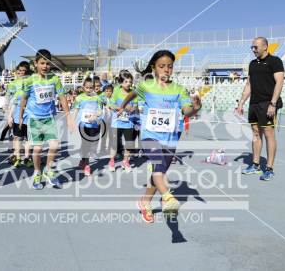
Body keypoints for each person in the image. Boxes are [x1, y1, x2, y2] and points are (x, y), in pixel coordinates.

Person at [118, 50, 201, 223]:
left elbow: (187, 111)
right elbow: (132, 94)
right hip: (150, 135)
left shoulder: (178, 89)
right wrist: (123, 105)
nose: (166, 70)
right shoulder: (146, 85)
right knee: (158, 168)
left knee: (159, 173)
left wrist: (196, 107)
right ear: (154, 68)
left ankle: (145, 202)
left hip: (171, 138)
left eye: (169, 67)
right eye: (162, 66)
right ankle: (168, 198)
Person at [18, 49, 74, 190]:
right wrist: (20, 116)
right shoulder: (30, 80)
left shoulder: (54, 79)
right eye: (42, 63)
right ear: (35, 64)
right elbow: (24, 99)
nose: (45, 66)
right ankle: (37, 173)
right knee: (37, 149)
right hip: (34, 119)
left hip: (49, 118)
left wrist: (68, 116)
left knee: (54, 145)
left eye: (47, 63)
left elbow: (62, 97)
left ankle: (48, 170)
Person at [237, 37, 284, 181]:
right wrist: (241, 102)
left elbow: (279, 82)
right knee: (256, 133)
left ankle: (269, 169)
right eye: (252, 47)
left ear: (265, 47)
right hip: (254, 103)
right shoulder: (252, 64)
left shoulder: (275, 61)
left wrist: (273, 103)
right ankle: (255, 165)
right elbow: (249, 85)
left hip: (268, 103)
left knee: (269, 134)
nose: (253, 50)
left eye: (255, 47)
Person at [72, 77, 104, 176]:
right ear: (83, 87)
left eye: (91, 88)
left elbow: (100, 111)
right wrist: (72, 122)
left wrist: (96, 115)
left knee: (92, 144)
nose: (89, 90)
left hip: (95, 125)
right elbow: (76, 110)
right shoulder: (79, 98)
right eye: (87, 87)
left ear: (94, 88)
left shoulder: (98, 98)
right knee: (86, 143)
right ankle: (87, 165)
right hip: (83, 125)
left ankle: (83, 161)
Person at [108, 71, 137, 172]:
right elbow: (111, 105)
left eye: (130, 81)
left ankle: (125, 161)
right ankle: (111, 161)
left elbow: (136, 105)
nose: (129, 83)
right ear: (121, 82)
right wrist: (123, 108)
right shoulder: (116, 91)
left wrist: (133, 108)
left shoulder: (133, 92)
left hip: (129, 122)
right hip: (117, 122)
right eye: (126, 81)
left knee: (129, 143)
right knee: (115, 144)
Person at [6, 61, 32, 167]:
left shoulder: (32, 83)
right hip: (17, 113)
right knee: (17, 137)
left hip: (30, 114)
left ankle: (27, 158)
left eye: (24, 71)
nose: (21, 72)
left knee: (29, 138)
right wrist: (9, 115)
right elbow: (9, 99)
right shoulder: (13, 83)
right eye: (20, 70)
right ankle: (17, 158)